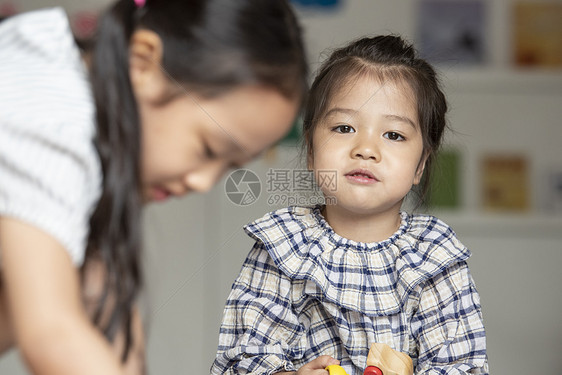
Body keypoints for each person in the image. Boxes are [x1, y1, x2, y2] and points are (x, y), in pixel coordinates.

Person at [0, 0, 307, 374]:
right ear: (143, 63)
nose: (203, 182)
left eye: (231, 166)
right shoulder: (52, 123)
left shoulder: (71, 88)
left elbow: (108, 302)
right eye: (208, 149)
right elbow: (52, 334)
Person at [212, 35, 488, 374]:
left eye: (393, 135)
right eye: (344, 127)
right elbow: (241, 360)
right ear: (312, 151)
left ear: (420, 166)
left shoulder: (435, 256)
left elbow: (462, 365)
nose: (366, 148)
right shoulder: (283, 245)